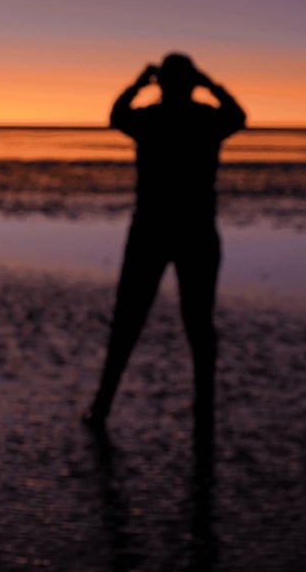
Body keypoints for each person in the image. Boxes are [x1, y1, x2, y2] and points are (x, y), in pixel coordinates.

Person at [85, 53, 246, 436]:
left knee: (131, 320)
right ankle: (201, 412)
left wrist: (139, 83)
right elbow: (238, 115)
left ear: (163, 84)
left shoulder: (152, 120)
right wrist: (210, 83)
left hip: (156, 230)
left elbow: (117, 114)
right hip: (189, 231)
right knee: (195, 324)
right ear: (190, 83)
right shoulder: (205, 119)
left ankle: (103, 406)